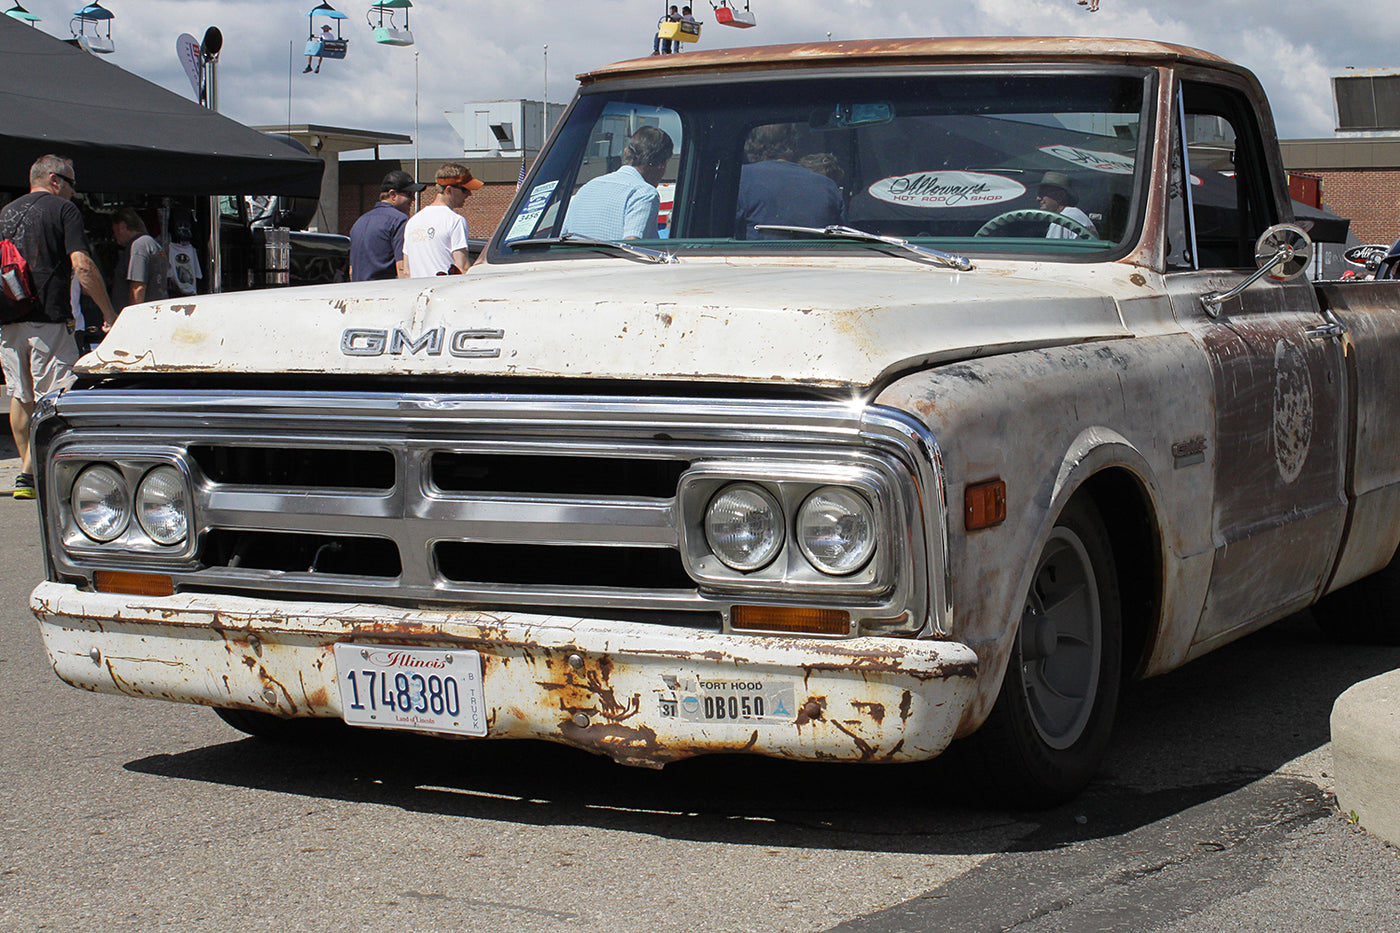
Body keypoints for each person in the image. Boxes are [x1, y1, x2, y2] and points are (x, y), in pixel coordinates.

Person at [0, 155, 117, 500]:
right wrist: (108, 312)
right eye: (71, 183)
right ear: (55, 180)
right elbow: (81, 265)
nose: (73, 191)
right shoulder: (63, 211)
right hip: (48, 320)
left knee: (21, 398)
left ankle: (29, 476)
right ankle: (34, 472)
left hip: (9, 319)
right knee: (56, 399)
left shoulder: (5, 213)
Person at [560, 126, 674, 241]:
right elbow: (632, 245)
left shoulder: (587, 188)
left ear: (626, 152)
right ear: (661, 164)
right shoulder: (644, 193)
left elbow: (563, 238)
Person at [735, 124, 844, 239]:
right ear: (793, 143)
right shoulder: (827, 185)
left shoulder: (739, 179)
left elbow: (721, 234)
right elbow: (844, 238)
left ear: (749, 145)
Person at [402, 163, 482, 277]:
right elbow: (462, 266)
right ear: (449, 190)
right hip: (445, 291)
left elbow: (406, 271)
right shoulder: (455, 220)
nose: (469, 194)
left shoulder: (412, 222)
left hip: (417, 291)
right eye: (465, 189)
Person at [349, 169, 427, 281]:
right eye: (409, 194)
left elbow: (352, 271)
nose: (413, 199)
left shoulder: (359, 222)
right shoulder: (400, 221)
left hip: (359, 293)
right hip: (387, 292)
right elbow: (402, 268)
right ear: (393, 194)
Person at [108, 207, 169, 312]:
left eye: (114, 231)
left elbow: (138, 288)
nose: (114, 236)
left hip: (142, 317)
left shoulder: (138, 246)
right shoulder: (153, 244)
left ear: (122, 226)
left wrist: (134, 317)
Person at [1036, 171, 1098, 239]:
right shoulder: (1078, 216)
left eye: (1042, 193)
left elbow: (1051, 249)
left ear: (1060, 195)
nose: (1038, 198)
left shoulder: (1061, 221)